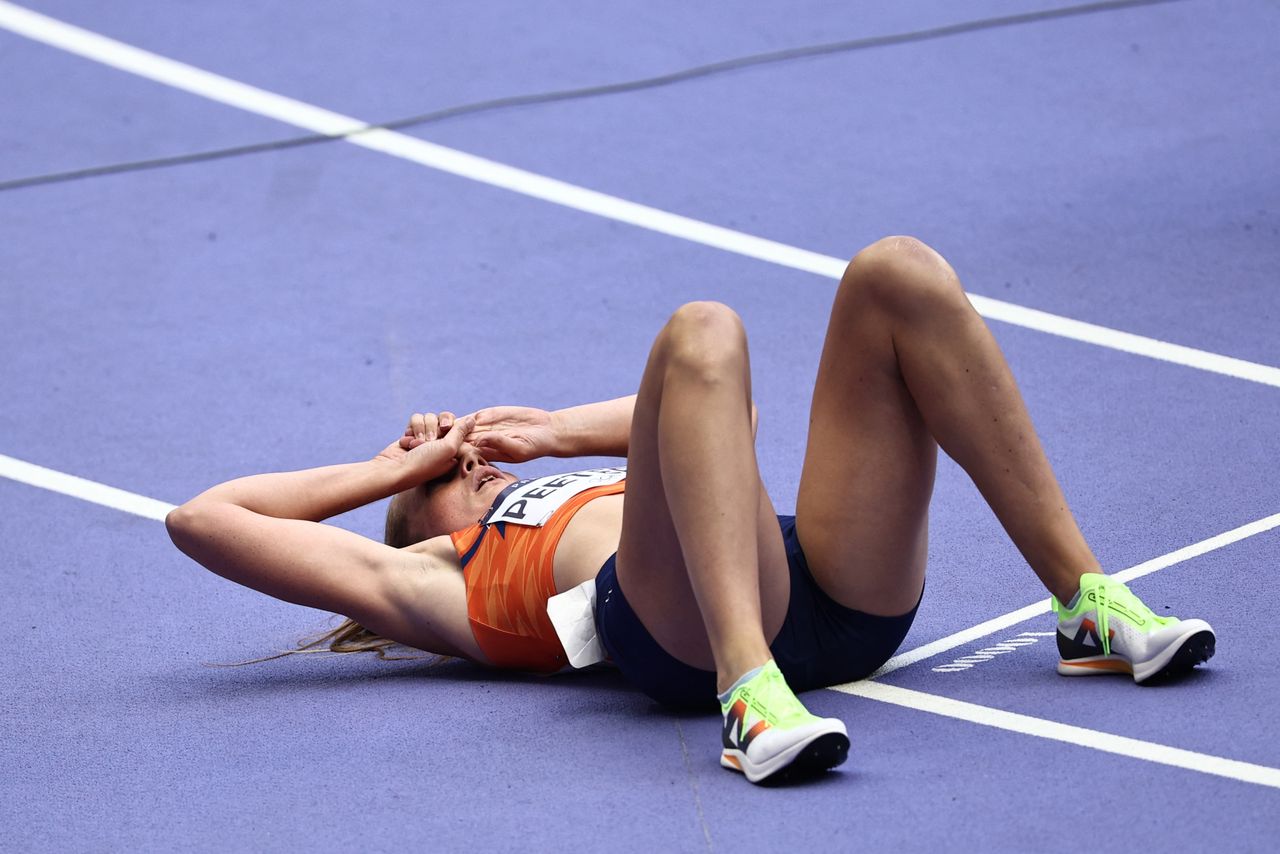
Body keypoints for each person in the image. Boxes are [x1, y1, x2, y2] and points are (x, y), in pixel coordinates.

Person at [166, 236, 1215, 785]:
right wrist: (388, 465)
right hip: (688, 642)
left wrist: (557, 432)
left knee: (892, 272)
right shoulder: (436, 576)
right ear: (419, 514)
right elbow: (203, 518)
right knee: (696, 320)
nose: (450, 443)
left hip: (816, 584)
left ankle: (1083, 601)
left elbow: (726, 401)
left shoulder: (572, 474)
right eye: (431, 463)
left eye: (448, 438)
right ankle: (749, 695)